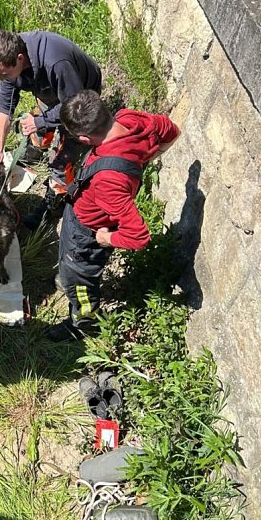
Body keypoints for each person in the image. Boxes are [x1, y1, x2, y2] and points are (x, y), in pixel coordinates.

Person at [48, 91, 180, 342]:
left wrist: (106, 238)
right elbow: (172, 130)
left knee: (80, 281)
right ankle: (68, 278)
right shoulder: (131, 120)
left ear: (85, 138)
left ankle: (82, 323)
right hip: (80, 213)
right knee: (69, 268)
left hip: (87, 233)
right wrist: (144, 158)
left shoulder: (110, 180)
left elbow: (138, 237)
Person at [0, 30, 102, 227]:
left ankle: (54, 203)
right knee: (38, 126)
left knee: (62, 159)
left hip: (81, 99)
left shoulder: (56, 63)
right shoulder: (11, 56)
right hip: (50, 92)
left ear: (20, 59)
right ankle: (35, 149)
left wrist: (41, 121)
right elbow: (5, 105)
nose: (3, 78)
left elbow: (77, 102)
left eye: (4, 74)